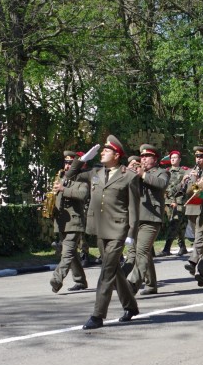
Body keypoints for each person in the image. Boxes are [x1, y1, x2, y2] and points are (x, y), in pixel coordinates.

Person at [66, 135, 140, 330]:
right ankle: (131, 306)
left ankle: (98, 315)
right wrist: (81, 160)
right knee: (114, 270)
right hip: (100, 228)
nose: (101, 153)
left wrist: (132, 233)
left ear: (116, 155)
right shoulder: (95, 173)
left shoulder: (129, 176)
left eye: (106, 150)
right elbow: (69, 177)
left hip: (118, 229)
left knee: (106, 270)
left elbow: (133, 207)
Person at [127, 145, 170, 295]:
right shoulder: (136, 173)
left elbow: (162, 184)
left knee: (142, 251)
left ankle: (133, 283)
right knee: (141, 252)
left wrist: (143, 175)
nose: (143, 159)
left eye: (147, 156)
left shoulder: (161, 172)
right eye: (142, 156)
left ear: (155, 159)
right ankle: (151, 285)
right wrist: (127, 171)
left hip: (151, 218)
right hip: (135, 218)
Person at [49, 151, 89, 293]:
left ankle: (56, 279)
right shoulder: (60, 177)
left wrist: (63, 189)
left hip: (74, 222)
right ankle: (80, 281)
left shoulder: (81, 178)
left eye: (70, 163)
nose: (67, 166)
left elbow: (83, 194)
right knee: (72, 255)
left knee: (67, 254)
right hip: (61, 221)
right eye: (65, 163)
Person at [183, 146, 203, 276]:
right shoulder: (190, 171)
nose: (198, 159)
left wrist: (195, 181)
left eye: (201, 157)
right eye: (197, 156)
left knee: (200, 240)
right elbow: (187, 191)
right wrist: (184, 182)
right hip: (191, 208)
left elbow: (202, 191)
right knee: (200, 241)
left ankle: (194, 263)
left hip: (202, 209)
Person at [157, 150, 188, 256]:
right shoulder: (166, 171)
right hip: (166, 201)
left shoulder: (184, 172)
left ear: (179, 159)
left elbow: (185, 188)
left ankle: (167, 248)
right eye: (172, 158)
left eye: (175, 157)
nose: (173, 159)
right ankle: (182, 246)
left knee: (174, 223)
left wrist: (176, 200)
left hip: (178, 201)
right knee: (177, 224)